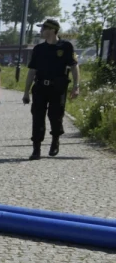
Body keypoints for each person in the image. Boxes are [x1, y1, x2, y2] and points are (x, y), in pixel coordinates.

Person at [22, 18, 80, 160]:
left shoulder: (65, 47)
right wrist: (26, 92)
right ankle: (36, 149)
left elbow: (74, 66)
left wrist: (76, 86)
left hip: (58, 88)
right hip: (40, 87)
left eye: (43, 29)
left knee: (55, 116)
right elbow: (32, 71)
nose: (41, 31)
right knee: (37, 117)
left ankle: (55, 140)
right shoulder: (39, 49)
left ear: (52, 30)